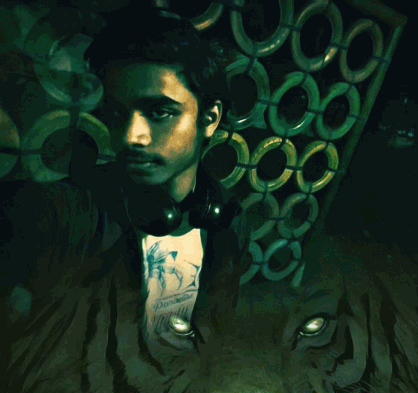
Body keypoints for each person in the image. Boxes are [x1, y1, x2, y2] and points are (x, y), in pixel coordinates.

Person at [0, 5, 248, 358]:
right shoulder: (75, 212)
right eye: (118, 113)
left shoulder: (229, 219)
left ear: (209, 118)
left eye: (159, 112)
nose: (131, 136)